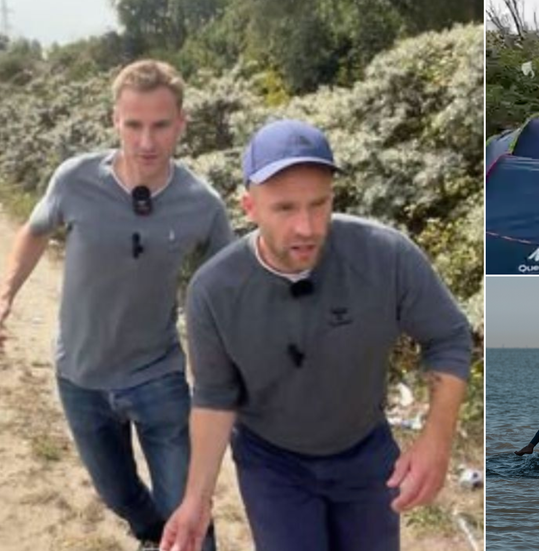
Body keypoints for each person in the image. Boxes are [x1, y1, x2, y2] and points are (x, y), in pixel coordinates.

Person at [159, 120, 472, 551]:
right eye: (285, 208)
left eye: (318, 204)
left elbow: (449, 337)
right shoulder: (215, 290)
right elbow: (215, 396)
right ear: (249, 207)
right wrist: (197, 499)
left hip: (365, 452)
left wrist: (436, 440)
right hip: (272, 465)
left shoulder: (386, 256)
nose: (306, 227)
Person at [0, 60, 231, 551]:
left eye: (160, 125)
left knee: (187, 509)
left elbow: (227, 286)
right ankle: (150, 535)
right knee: (117, 494)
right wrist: (4, 296)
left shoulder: (202, 203)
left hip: (157, 375)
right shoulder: (75, 179)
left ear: (181, 124)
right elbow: (35, 231)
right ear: (114, 121)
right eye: (133, 125)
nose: (146, 141)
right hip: (79, 375)